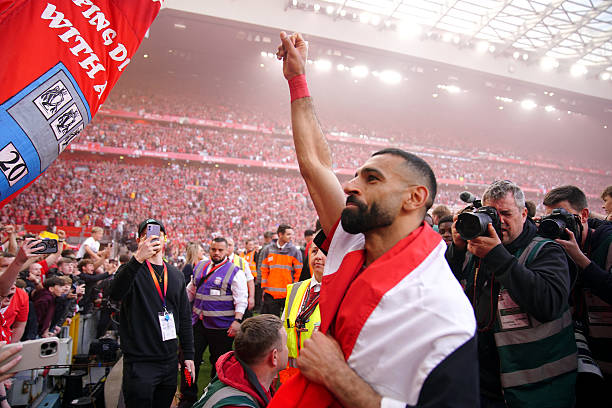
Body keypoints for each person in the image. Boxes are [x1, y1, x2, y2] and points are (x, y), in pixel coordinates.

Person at [270, 31, 477, 408]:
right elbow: (315, 164)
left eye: (372, 179)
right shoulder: (353, 241)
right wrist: (297, 79)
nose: (350, 186)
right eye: (356, 176)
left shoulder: (443, 310)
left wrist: (336, 374)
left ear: (415, 198)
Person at [446, 180, 576, 408]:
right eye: (491, 214)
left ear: (524, 214)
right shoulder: (475, 248)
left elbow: (549, 305)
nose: (499, 221)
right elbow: (446, 291)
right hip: (482, 379)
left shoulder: (545, 250)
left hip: (536, 388)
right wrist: (456, 251)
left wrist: (497, 256)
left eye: (506, 213)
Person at [109, 219, 194, 408]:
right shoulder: (130, 270)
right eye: (146, 236)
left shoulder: (175, 274)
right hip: (140, 361)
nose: (153, 239)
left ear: (165, 239)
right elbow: (115, 293)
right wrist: (138, 258)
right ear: (139, 241)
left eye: (158, 235)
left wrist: (188, 354)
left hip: (169, 360)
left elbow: (184, 317)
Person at [543, 185, 612, 407]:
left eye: (563, 218)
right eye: (552, 219)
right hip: (574, 354)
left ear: (583, 215)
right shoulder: (552, 248)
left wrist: (579, 257)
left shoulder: (608, 242)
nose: (559, 226)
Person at [181, 237, 247, 406]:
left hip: (222, 327)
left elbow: (241, 299)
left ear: (227, 251)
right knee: (189, 360)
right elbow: (191, 290)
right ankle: (187, 396)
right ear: (209, 249)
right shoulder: (200, 266)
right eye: (213, 249)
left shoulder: (235, 271)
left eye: (220, 250)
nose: (216, 253)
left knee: (219, 365)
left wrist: (237, 320)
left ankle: (213, 395)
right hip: (198, 323)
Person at [193, 314, 287, 408]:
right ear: (274, 356)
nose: (288, 349)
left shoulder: (234, 376)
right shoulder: (237, 405)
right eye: (285, 344)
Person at [279, 240, 325, 383]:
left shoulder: (343, 291)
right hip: (291, 373)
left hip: (321, 374)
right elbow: (283, 327)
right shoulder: (295, 289)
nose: (318, 256)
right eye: (314, 251)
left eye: (325, 252)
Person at [260, 224, 302, 317]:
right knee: (271, 322)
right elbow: (264, 270)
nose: (291, 237)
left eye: (291, 234)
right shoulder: (268, 250)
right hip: (270, 294)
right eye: (288, 234)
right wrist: (264, 288)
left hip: (288, 294)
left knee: (288, 321)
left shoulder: (295, 251)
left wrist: (294, 290)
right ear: (280, 234)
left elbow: (298, 272)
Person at [226, 237, 255, 313]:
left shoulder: (242, 261)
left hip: (240, 299)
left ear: (233, 246)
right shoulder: (214, 261)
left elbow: (250, 280)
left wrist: (251, 297)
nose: (227, 247)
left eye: (230, 245)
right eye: (226, 245)